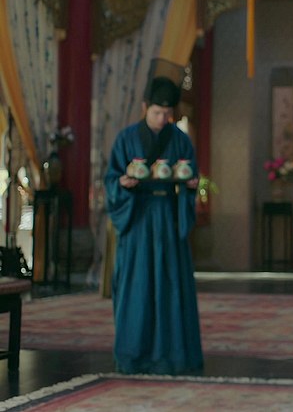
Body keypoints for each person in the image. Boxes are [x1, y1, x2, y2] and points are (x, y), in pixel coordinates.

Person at [105, 60, 203, 374]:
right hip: (137, 219)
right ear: (145, 107)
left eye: (167, 114)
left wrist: (190, 186)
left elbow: (191, 175)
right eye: (157, 112)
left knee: (171, 286)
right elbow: (111, 179)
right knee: (137, 287)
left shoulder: (180, 139)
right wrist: (122, 184)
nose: (162, 119)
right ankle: (133, 355)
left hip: (168, 220)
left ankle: (173, 356)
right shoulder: (125, 139)